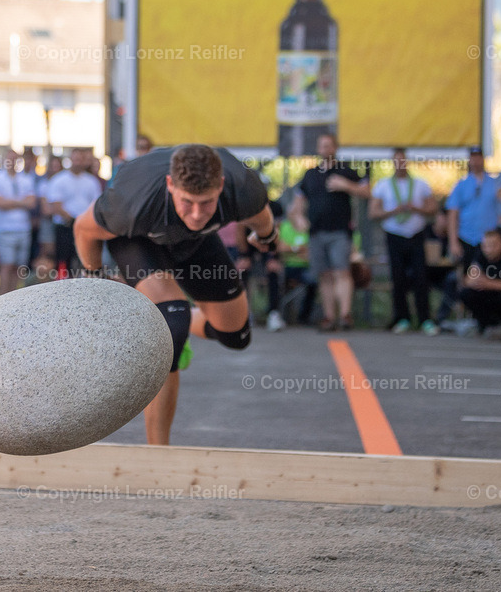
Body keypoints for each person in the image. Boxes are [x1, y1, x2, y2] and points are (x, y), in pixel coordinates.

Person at [74, 144, 274, 445]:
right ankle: (158, 456)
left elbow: (261, 217)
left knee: (236, 337)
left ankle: (174, 319)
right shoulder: (132, 201)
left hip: (196, 242)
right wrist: (95, 280)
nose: (196, 212)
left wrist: (267, 237)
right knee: (171, 326)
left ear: (220, 186)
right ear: (171, 185)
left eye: (206, 202)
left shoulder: (242, 187)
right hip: (139, 241)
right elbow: (84, 229)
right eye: (187, 202)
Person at [288, 134, 370, 331]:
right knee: (324, 275)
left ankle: (345, 315)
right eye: (321, 146)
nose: (324, 149)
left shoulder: (345, 171)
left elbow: (366, 191)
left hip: (339, 231)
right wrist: (298, 217)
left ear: (335, 148)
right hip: (316, 233)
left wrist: (346, 185)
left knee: (342, 271)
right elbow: (297, 205)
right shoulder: (310, 174)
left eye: (328, 145)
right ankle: (329, 316)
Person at [369, 148, 438, 335]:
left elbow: (433, 207)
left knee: (420, 277)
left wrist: (416, 208)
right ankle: (402, 317)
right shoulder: (383, 185)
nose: (400, 165)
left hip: (415, 234)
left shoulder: (420, 184)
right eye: (396, 161)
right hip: (394, 234)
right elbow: (373, 212)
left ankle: (425, 319)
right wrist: (393, 211)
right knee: (397, 277)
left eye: (403, 161)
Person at [459, 228, 501, 339]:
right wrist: (478, 282)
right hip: (491, 294)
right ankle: (489, 325)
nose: (488, 249)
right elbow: (469, 280)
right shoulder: (480, 255)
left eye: (492, 245)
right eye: (485, 246)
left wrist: (488, 283)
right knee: (466, 293)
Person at [0, 150, 37, 294]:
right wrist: (22, 202)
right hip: (4, 229)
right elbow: (0, 203)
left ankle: (14, 297)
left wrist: (10, 202)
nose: (12, 162)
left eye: (15, 159)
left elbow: (32, 202)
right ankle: (2, 298)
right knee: (6, 266)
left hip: (23, 229)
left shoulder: (26, 179)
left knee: (18, 267)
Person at [46, 147, 101, 276]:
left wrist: (83, 221)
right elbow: (56, 205)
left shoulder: (92, 181)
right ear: (70, 159)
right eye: (76, 158)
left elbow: (96, 204)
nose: (78, 162)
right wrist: (73, 220)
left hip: (86, 228)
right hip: (65, 228)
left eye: (81, 159)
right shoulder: (59, 180)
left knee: (86, 261)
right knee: (63, 261)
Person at [445, 146, 498, 270]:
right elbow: (452, 214)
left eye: (478, 157)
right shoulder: (461, 185)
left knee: (488, 274)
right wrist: (453, 242)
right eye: (473, 158)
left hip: (488, 239)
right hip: (466, 238)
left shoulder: (494, 183)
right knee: (466, 275)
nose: (475, 161)